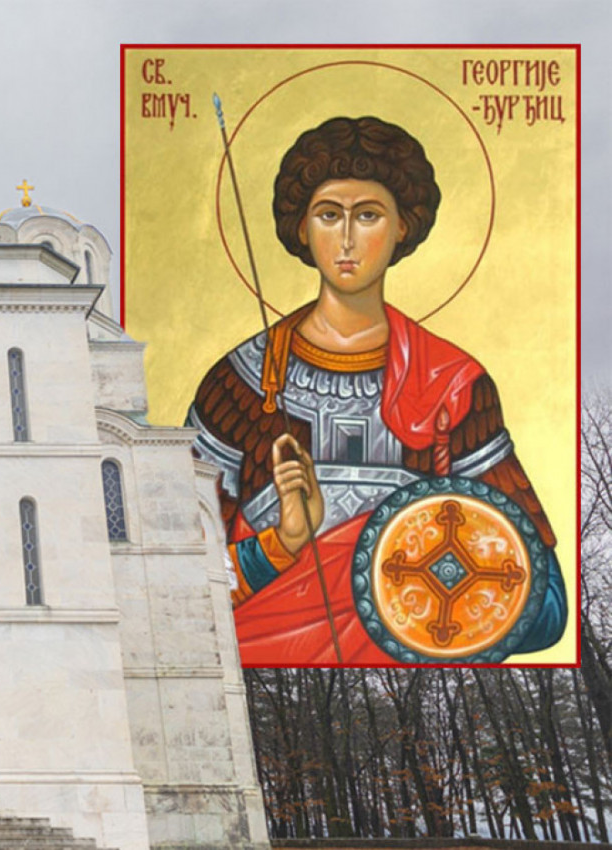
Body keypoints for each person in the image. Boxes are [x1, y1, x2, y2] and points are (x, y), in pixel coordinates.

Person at [187, 116, 566, 664]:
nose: (345, 240)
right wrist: (284, 544)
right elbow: (176, 586)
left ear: (402, 228)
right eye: (327, 215)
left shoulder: (454, 386)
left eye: (367, 216)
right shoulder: (239, 386)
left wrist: (425, 583)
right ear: (301, 229)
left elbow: (544, 603)